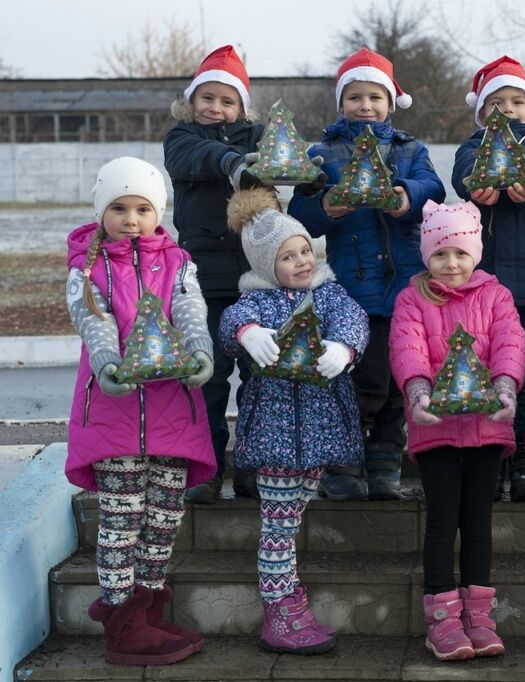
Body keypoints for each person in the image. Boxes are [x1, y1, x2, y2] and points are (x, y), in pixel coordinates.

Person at [66, 157, 216, 665]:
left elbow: (189, 307)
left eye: (142, 208)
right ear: (102, 210)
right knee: (122, 516)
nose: (131, 218)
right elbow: (93, 316)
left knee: (165, 514)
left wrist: (200, 353)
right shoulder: (87, 266)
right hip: (114, 411)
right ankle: (119, 617)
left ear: (158, 213)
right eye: (120, 207)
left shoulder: (178, 261)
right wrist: (108, 361)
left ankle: (147, 611)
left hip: (173, 406)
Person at [288, 47, 445, 501]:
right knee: (360, 378)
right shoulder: (321, 154)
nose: (365, 106)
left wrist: (404, 196)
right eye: (355, 97)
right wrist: (324, 207)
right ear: (341, 103)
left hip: (407, 284)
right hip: (352, 287)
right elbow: (301, 212)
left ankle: (384, 465)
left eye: (375, 97)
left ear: (390, 104)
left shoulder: (409, 149)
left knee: (402, 378)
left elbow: (432, 189)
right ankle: (343, 464)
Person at [219, 187, 370, 654]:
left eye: (305, 249)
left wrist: (344, 347)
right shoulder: (257, 303)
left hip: (319, 434)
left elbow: (355, 319)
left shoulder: (329, 293)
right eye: (288, 256)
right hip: (276, 435)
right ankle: (281, 609)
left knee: (295, 510)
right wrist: (248, 334)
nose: (303, 261)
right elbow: (229, 323)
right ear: (267, 266)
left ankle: (289, 601)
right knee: (279, 525)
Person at [389, 200, 525, 661]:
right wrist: (418, 395)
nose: (451, 264)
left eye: (461, 254)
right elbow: (407, 349)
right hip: (436, 431)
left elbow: (510, 342)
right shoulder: (412, 298)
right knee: (443, 521)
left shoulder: (496, 295)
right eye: (441, 254)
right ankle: (443, 621)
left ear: (476, 254)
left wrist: (505, 388)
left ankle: (479, 617)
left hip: (488, 428)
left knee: (479, 524)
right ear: (426, 255)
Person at [451, 55, 525, 502]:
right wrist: (473, 183)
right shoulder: (472, 147)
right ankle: (491, 453)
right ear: (482, 114)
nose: (507, 110)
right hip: (483, 283)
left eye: (516, 102)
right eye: (496, 103)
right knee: (485, 368)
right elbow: (463, 175)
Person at [164, 45, 264, 503]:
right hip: (203, 282)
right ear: (192, 101)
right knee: (208, 377)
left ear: (242, 106)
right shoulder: (180, 139)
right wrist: (232, 163)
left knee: (259, 379)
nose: (216, 108)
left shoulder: (261, 139)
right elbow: (201, 157)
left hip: (259, 282)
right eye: (208, 98)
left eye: (227, 101)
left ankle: (251, 465)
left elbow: (287, 165)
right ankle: (205, 468)